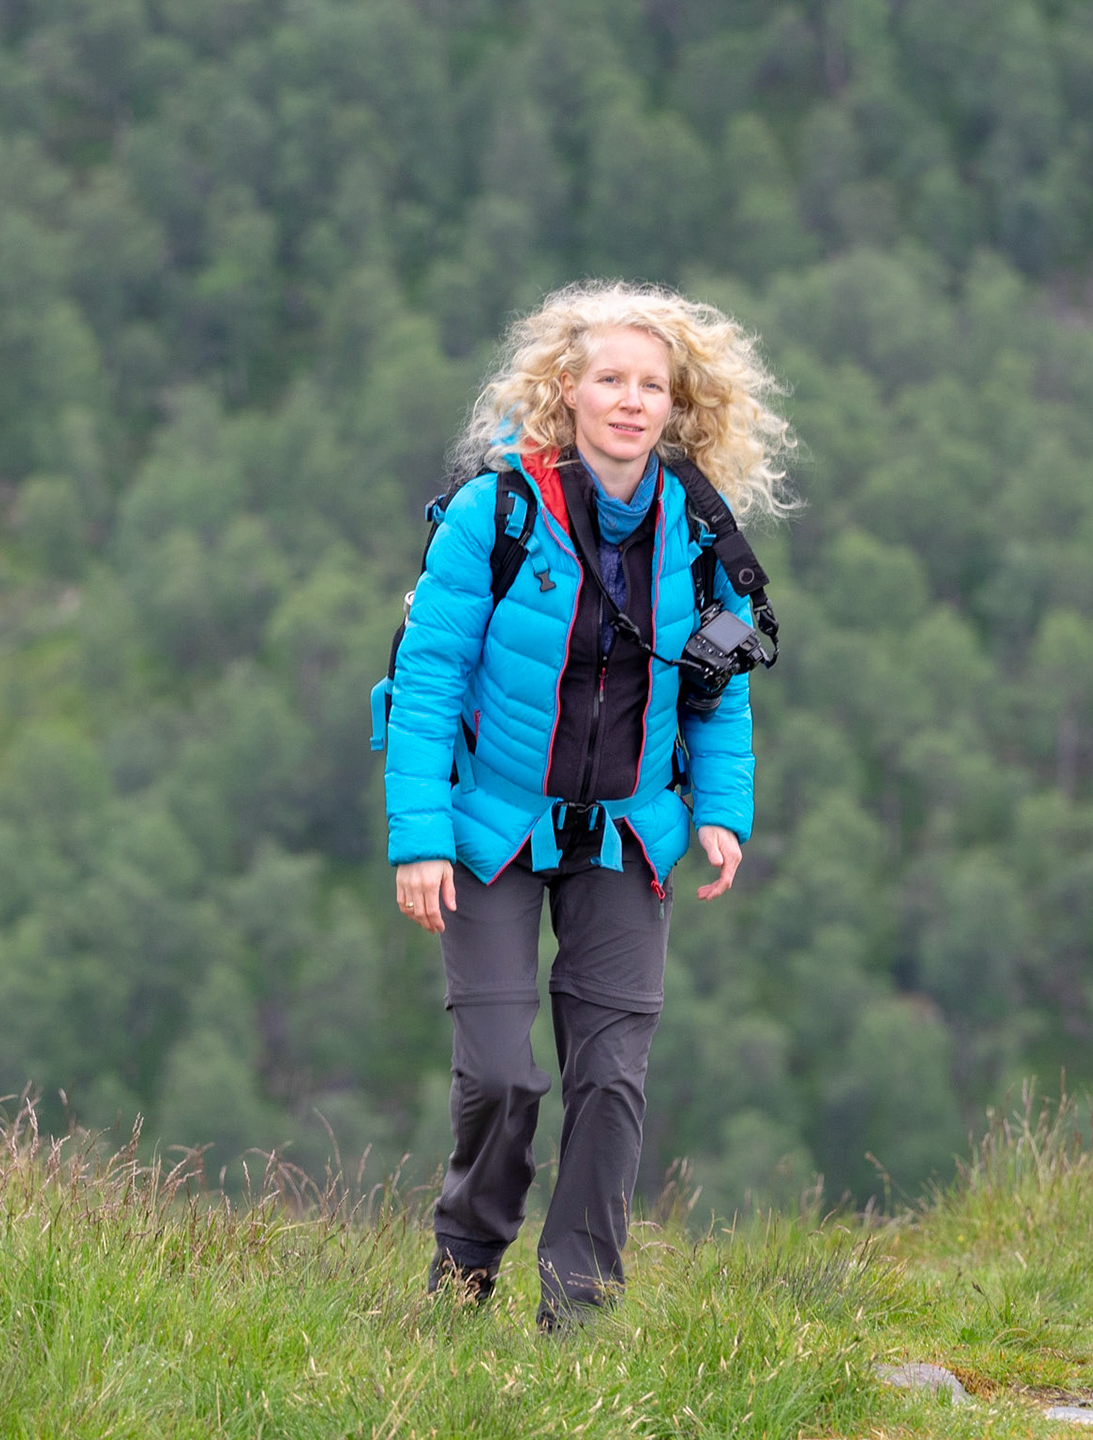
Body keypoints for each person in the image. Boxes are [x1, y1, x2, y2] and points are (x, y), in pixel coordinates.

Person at [383, 279, 793, 1329]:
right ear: (566, 390)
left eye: (651, 385)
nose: (630, 401)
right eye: (610, 379)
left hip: (627, 831)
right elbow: (425, 680)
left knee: (610, 1081)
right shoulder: (496, 514)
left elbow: (719, 683)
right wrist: (420, 837)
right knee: (500, 1076)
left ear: (677, 404)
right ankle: (463, 1278)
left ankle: (579, 1317)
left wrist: (721, 811)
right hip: (492, 827)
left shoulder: (699, 530)